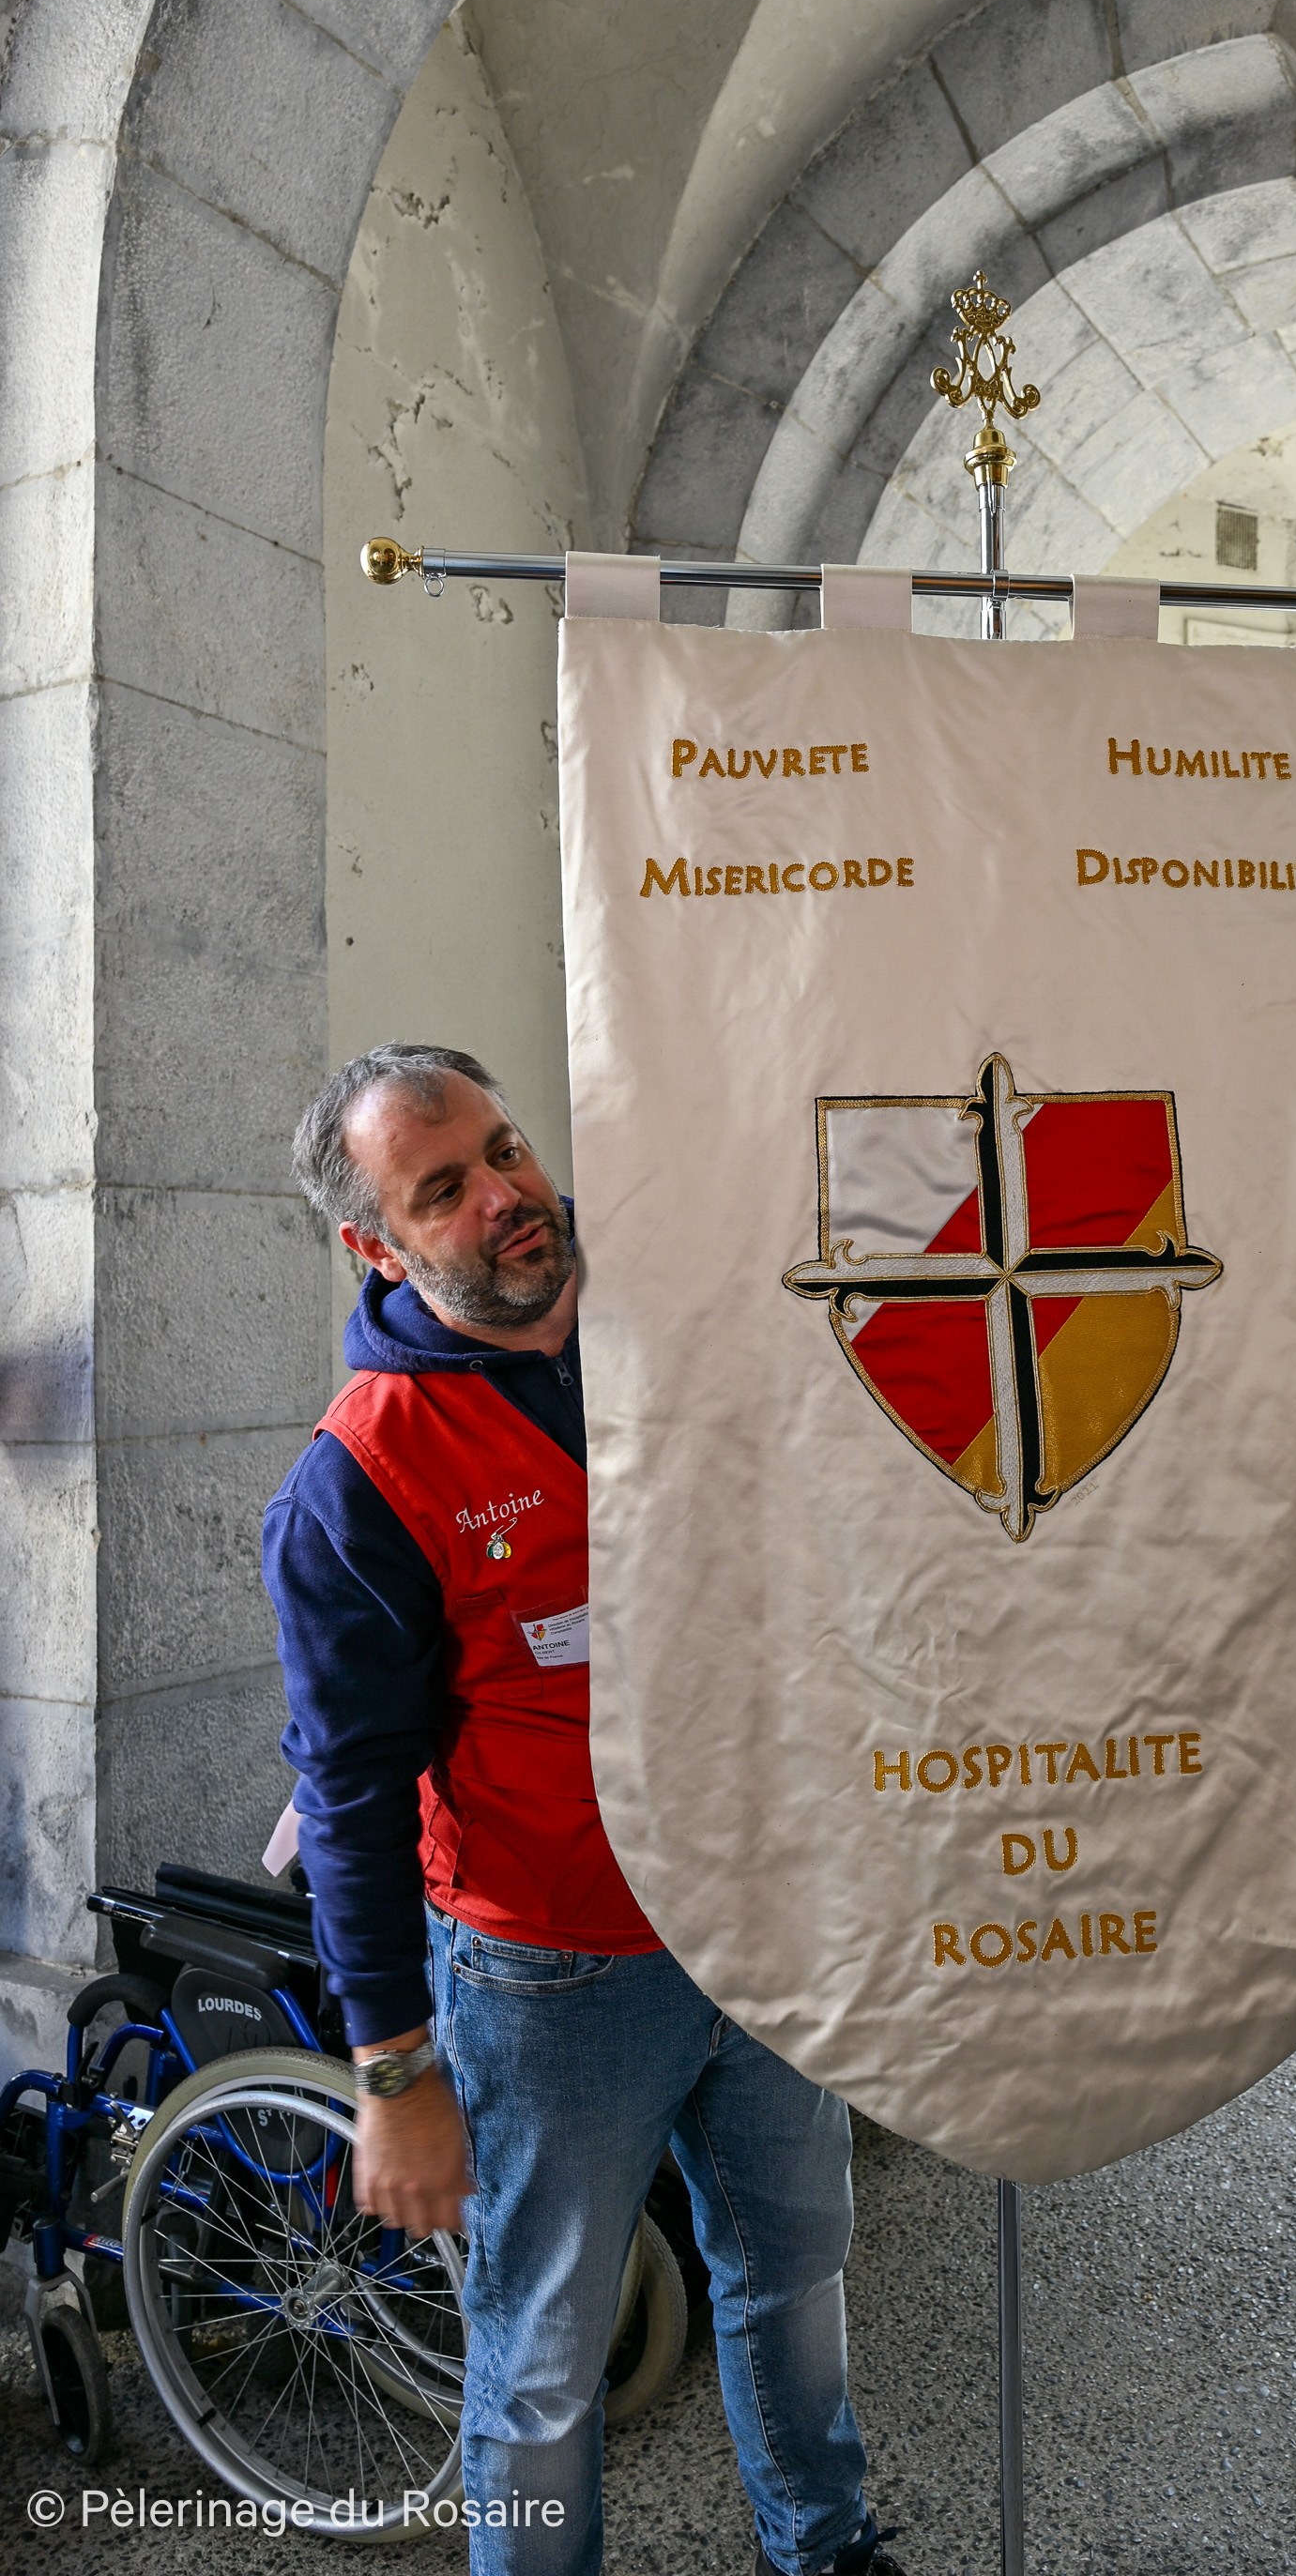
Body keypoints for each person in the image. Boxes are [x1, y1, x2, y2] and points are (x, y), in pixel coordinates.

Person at [264, 1043, 905, 2576]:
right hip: (554, 1978)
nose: (504, 1194)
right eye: (443, 1189)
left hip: (760, 1923)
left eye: (505, 1151)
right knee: (547, 2355)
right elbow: (349, 1795)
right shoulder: (363, 1475)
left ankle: (827, 2548)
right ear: (376, 1245)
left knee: (797, 2272)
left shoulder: (677, 1338)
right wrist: (393, 2069)